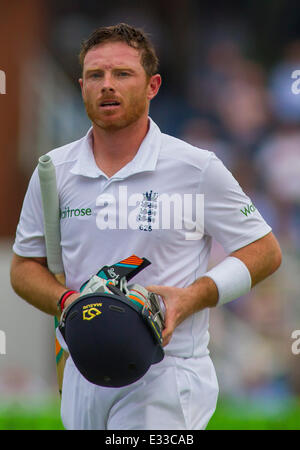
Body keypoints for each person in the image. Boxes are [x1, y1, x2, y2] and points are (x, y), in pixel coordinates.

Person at [10, 23, 282, 430]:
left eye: (122, 74)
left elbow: (264, 250)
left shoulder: (196, 167)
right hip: (82, 371)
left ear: (153, 85)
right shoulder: (54, 171)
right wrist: (67, 303)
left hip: (166, 371)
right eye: (96, 75)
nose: (107, 86)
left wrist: (193, 298)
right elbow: (23, 268)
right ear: (81, 84)